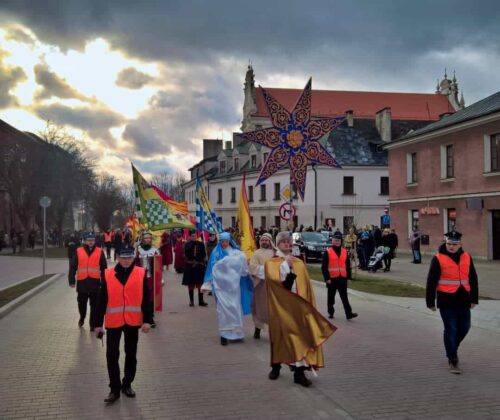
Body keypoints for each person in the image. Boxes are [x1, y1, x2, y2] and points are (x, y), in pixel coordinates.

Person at [265, 231, 336, 387]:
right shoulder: (271, 263)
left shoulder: (298, 263)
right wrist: (285, 267)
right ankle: (276, 365)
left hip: (298, 308)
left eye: (289, 242)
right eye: (283, 242)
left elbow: (305, 286)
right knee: (279, 337)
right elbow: (276, 283)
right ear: (278, 244)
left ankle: (299, 373)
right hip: (281, 308)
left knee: (300, 338)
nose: (287, 244)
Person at [93, 245, 153, 404]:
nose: (126, 261)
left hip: (133, 322)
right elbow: (100, 301)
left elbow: (146, 299)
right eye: (123, 258)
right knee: (112, 355)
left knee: (131, 354)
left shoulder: (141, 273)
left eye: (129, 258)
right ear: (118, 257)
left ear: (134, 258)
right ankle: (114, 389)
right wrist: (97, 324)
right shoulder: (107, 274)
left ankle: (127, 384)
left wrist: (147, 320)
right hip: (114, 322)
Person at [426, 231, 478, 374]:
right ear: (445, 243)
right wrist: (430, 301)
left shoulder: (467, 256)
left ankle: (452, 347)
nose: (451, 247)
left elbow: (473, 278)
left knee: (465, 327)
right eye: (449, 244)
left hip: (464, 299)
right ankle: (453, 359)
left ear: (460, 244)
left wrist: (474, 298)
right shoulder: (438, 258)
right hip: (446, 300)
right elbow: (431, 281)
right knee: (451, 329)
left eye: (454, 244)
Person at [202, 232, 253, 346]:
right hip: (221, 288)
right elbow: (213, 268)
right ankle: (224, 335)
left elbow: (243, 269)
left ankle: (236, 332)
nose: (224, 244)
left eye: (226, 241)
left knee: (235, 308)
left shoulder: (236, 252)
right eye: (222, 241)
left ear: (229, 241)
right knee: (223, 311)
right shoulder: (215, 253)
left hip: (234, 287)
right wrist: (207, 284)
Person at [68, 232, 107, 330]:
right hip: (82, 282)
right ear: (85, 241)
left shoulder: (99, 251)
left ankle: (92, 324)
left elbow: (104, 268)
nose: (91, 242)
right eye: (89, 240)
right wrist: (72, 280)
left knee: (94, 305)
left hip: (95, 282)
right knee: (82, 303)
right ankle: (82, 317)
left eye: (92, 240)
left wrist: (104, 281)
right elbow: (73, 267)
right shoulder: (78, 251)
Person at [321, 231, 358, 320]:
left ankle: (349, 314)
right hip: (332, 279)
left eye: (338, 241)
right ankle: (331, 312)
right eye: (335, 240)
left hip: (342, 278)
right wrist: (327, 278)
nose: (337, 242)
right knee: (331, 297)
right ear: (332, 241)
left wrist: (349, 277)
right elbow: (324, 267)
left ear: (341, 242)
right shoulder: (328, 252)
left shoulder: (345, 252)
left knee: (344, 297)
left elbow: (348, 266)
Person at [248, 233, 275, 339]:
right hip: (260, 284)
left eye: (266, 240)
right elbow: (253, 267)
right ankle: (257, 330)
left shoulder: (275, 253)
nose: (264, 242)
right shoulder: (257, 253)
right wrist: (266, 269)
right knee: (258, 307)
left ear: (270, 241)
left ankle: (273, 331)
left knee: (273, 309)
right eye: (262, 240)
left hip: (273, 285)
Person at [135, 231, 160, 328]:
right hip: (140, 278)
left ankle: (150, 317)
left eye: (149, 238)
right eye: (146, 238)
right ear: (142, 239)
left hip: (151, 278)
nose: (148, 240)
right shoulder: (138, 250)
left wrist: (159, 279)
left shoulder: (155, 250)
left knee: (151, 298)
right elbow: (135, 264)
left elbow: (158, 266)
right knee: (142, 297)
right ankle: (145, 316)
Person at [182, 230, 208, 307]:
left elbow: (203, 254)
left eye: (195, 236)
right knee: (191, 284)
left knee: (200, 284)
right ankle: (191, 301)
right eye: (192, 236)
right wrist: (192, 243)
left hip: (199, 266)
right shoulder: (187, 244)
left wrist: (201, 259)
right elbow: (186, 252)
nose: (194, 237)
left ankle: (201, 301)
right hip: (190, 266)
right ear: (190, 236)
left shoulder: (201, 244)